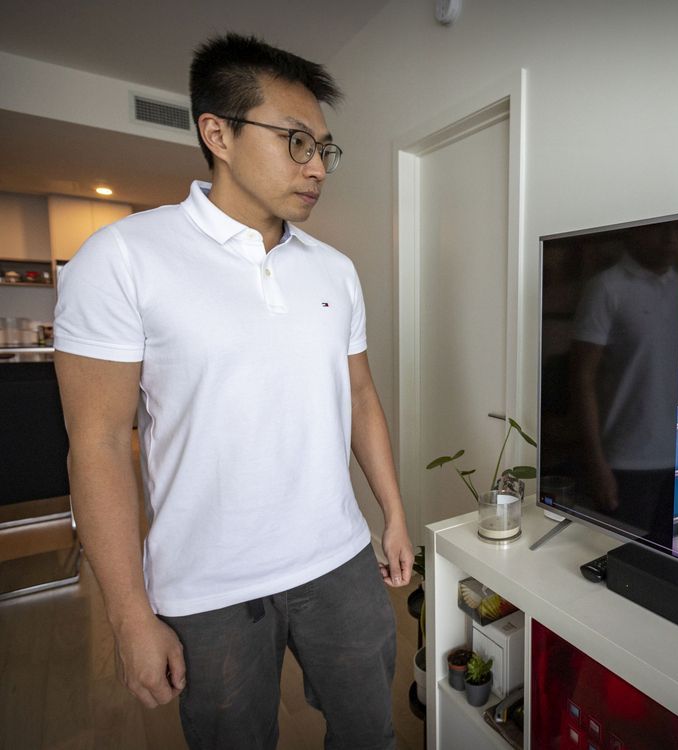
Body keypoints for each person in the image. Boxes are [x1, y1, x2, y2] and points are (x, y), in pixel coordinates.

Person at [53, 33, 411, 750]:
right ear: (217, 132)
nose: (317, 168)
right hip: (208, 584)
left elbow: (361, 396)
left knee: (371, 733)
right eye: (296, 142)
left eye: (324, 150)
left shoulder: (334, 270)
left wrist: (393, 515)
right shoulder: (124, 258)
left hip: (338, 560)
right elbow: (94, 444)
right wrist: (128, 615)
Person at [571, 223, 678, 544]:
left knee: (663, 559)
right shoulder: (607, 288)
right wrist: (596, 463)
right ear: (636, 233)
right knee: (620, 563)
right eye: (660, 230)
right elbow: (582, 378)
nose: (669, 239)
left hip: (673, 457)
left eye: (674, 232)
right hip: (624, 464)